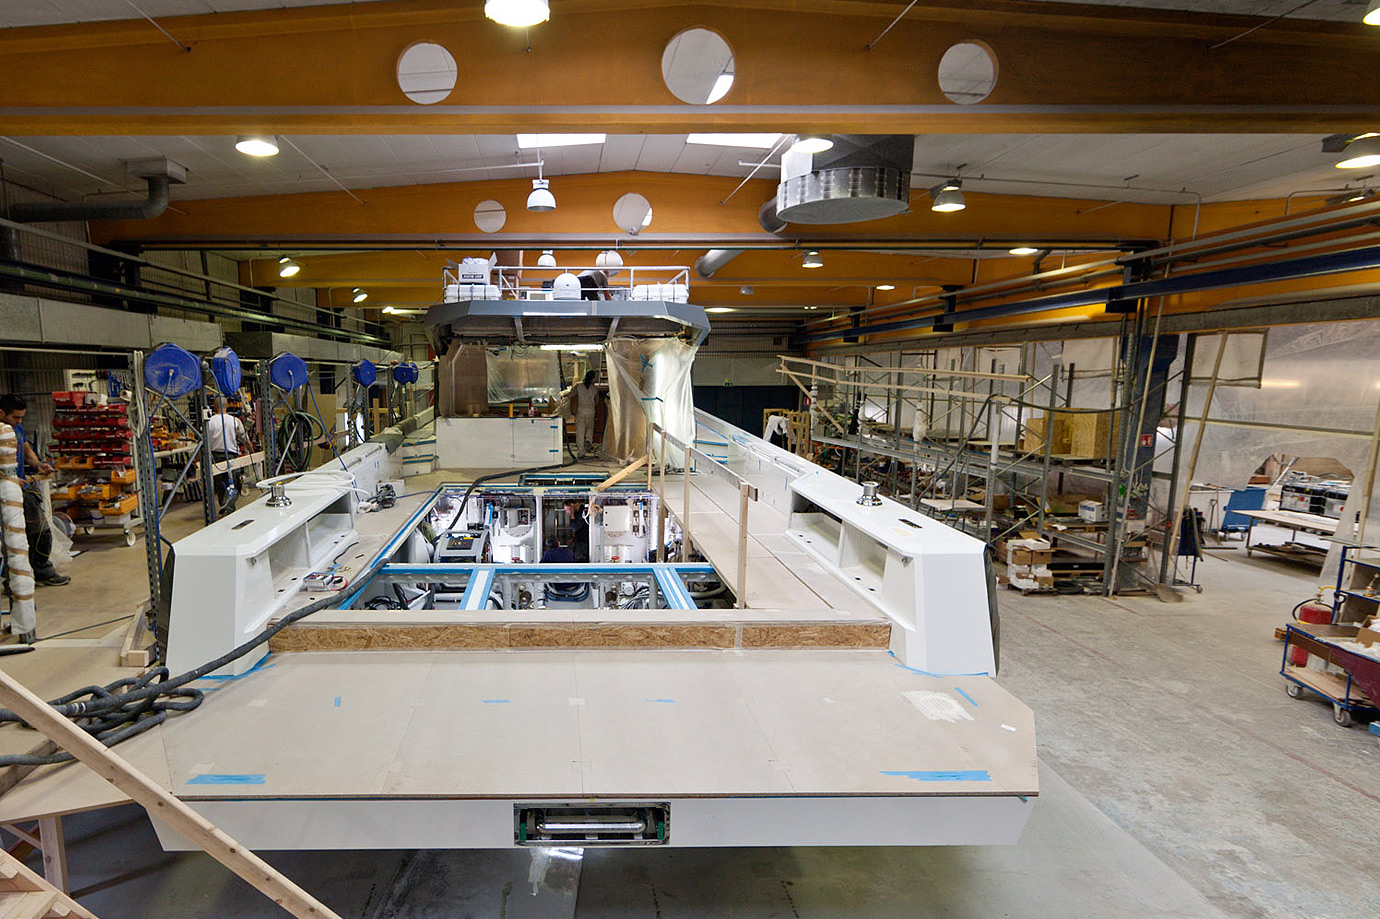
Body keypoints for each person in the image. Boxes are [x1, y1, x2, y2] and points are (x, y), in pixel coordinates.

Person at [0, 394, 69, 590]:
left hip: (22, 490)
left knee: (40, 532)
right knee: (12, 539)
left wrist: (38, 464)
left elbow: (26, 450)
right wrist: (7, 479)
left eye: (21, 417)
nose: (19, 421)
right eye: (15, 417)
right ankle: (14, 581)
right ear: (1, 413)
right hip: (5, 494)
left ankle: (41, 571)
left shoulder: (17, 429)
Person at [204, 396, 250, 513]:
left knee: (221, 485)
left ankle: (226, 507)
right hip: (231, 456)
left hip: (215, 458)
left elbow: (205, 442)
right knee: (234, 483)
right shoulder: (234, 421)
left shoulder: (209, 422)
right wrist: (251, 450)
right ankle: (228, 508)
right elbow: (244, 438)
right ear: (227, 406)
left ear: (214, 407)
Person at [572, 371, 599, 457]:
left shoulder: (578, 386)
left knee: (580, 431)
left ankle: (581, 452)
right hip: (591, 412)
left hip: (580, 412)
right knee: (589, 429)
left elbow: (571, 395)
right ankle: (588, 440)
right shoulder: (594, 388)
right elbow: (597, 401)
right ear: (593, 378)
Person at [563, 499, 591, 563]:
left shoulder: (583, 512)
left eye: (567, 510)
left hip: (584, 543)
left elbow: (575, 527)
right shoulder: (577, 513)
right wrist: (574, 538)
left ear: (572, 506)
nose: (567, 512)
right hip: (580, 541)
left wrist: (572, 514)